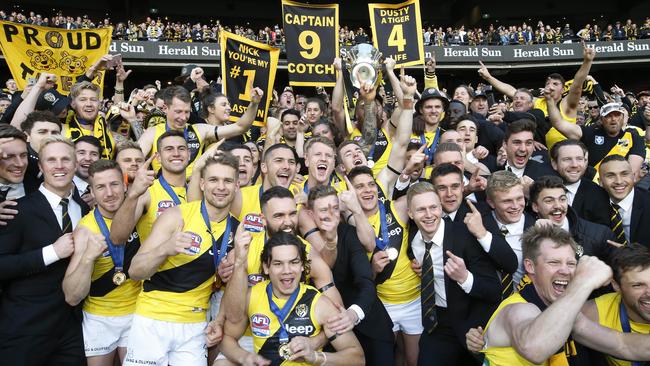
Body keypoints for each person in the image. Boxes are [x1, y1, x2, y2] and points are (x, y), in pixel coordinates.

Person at [123, 153, 240, 366]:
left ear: (237, 185)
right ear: (202, 184)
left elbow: (232, 289)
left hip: (195, 325)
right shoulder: (177, 216)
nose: (221, 187)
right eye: (214, 180)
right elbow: (135, 271)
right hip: (152, 319)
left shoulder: (237, 230)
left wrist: (220, 317)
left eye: (228, 181)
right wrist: (166, 249)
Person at [480, 225, 650, 365]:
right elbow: (534, 349)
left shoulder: (567, 314)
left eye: (571, 263)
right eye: (553, 262)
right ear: (530, 267)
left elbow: (623, 345)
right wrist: (583, 283)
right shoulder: (517, 309)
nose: (565, 271)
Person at [0, 135, 90, 365]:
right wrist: (51, 252)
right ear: (40, 167)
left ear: (75, 164)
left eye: (65, 159)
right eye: (51, 160)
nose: (59, 166)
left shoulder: (85, 209)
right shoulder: (16, 210)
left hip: (72, 328)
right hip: (26, 328)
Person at [220, 232, 365, 366]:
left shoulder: (320, 304)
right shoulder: (252, 296)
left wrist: (315, 356)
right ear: (266, 267)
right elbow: (227, 338)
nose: (287, 270)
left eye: (294, 262)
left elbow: (357, 357)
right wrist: (245, 357)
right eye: (278, 264)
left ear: (302, 265)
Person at [406, 182, 501, 365]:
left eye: (433, 207)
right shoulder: (414, 240)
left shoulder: (465, 237)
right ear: (410, 214)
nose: (428, 215)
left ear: (441, 208)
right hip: (437, 323)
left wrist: (465, 278)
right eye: (421, 210)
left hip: (473, 323)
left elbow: (494, 290)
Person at [62, 159, 141, 365]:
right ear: (92, 192)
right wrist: (88, 258)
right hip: (100, 316)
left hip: (138, 312)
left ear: (125, 185)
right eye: (101, 187)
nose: (109, 193)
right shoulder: (85, 230)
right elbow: (71, 296)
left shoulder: (140, 211)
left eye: (114, 184)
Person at [307, 185, 395, 366]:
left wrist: (353, 314)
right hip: (329, 333)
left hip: (370, 326)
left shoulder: (348, 233)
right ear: (310, 215)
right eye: (324, 209)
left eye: (334, 207)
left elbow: (365, 281)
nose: (330, 214)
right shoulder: (301, 242)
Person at [478, 41, 594, 149]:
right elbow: (512, 91)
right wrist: (489, 77)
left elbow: (577, 84)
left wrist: (587, 61)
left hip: (566, 150)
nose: (550, 86)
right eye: (548, 83)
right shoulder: (536, 102)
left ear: (563, 89)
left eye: (555, 84)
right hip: (544, 152)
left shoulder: (567, 104)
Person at [138, 84, 262, 177]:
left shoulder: (199, 130)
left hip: (194, 191)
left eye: (187, 112)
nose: (183, 117)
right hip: (162, 193)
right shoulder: (152, 133)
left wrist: (254, 104)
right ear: (165, 108)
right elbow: (134, 160)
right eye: (178, 112)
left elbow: (240, 127)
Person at [109, 130, 188, 244]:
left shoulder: (199, 191)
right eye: (169, 149)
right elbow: (117, 238)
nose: (176, 153)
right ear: (158, 157)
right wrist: (134, 194)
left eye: (181, 148)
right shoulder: (146, 192)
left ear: (189, 154)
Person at [547, 100, 647, 180]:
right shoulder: (589, 133)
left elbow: (631, 172)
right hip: (591, 187)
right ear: (602, 119)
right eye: (609, 116)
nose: (613, 119)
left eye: (617, 115)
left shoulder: (634, 138)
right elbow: (559, 123)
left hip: (619, 186)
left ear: (623, 117)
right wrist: (550, 100)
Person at [529, 175, 615, 262]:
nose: (558, 206)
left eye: (562, 199)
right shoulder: (527, 235)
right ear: (535, 206)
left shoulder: (600, 235)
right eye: (549, 201)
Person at [549, 139, 611, 226]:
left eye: (579, 159)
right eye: (567, 159)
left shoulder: (598, 194)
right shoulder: (542, 189)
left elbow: (601, 233)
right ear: (554, 163)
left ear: (585, 162)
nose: (574, 165)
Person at [598, 155, 650, 248]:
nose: (619, 181)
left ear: (634, 177)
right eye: (611, 175)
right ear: (600, 182)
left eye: (624, 174)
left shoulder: (647, 201)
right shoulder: (592, 203)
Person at [64, 81, 117, 159]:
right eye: (83, 100)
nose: (89, 104)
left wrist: (132, 120)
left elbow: (136, 150)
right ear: (73, 104)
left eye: (93, 99)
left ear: (99, 104)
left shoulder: (108, 130)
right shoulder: (63, 131)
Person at [19, 110, 62, 193]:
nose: (50, 137)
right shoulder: (15, 163)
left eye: (55, 133)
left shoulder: (65, 163)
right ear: (27, 136)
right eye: (42, 132)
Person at [73, 136, 102, 207]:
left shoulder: (106, 189)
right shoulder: (61, 187)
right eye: (81, 153)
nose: (88, 158)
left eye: (94, 154)